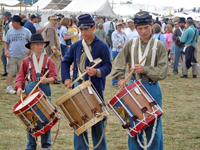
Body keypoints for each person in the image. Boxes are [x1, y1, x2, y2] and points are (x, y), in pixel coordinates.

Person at [112, 11, 168, 150]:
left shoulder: (159, 45)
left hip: (151, 87)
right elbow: (118, 63)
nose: (143, 31)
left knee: (153, 127)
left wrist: (146, 69)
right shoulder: (130, 44)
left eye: (146, 27)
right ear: (135, 28)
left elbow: (163, 71)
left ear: (152, 26)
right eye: (140, 28)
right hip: (133, 88)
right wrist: (120, 78)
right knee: (134, 126)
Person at [61, 14, 112, 150]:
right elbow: (65, 62)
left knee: (97, 123)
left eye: (85, 29)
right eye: (81, 30)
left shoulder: (102, 46)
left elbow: (108, 66)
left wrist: (97, 72)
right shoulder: (76, 45)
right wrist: (66, 78)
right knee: (79, 121)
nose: (83, 33)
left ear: (93, 27)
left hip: (95, 88)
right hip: (78, 87)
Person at [15, 33, 57, 150]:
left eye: (42, 43)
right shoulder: (26, 61)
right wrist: (19, 87)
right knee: (31, 120)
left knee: (46, 119)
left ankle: (46, 146)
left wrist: (46, 79)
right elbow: (20, 77)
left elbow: (54, 77)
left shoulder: (48, 60)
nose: (40, 46)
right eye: (37, 44)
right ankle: (31, 145)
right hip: (30, 89)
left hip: (44, 91)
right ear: (32, 46)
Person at [4, 15, 31, 94]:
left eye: (13, 22)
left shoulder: (26, 31)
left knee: (23, 73)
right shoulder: (10, 31)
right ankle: (9, 87)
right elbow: (6, 42)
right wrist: (6, 51)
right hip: (12, 55)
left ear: (18, 23)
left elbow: (31, 42)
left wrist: (29, 50)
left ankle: (22, 88)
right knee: (10, 71)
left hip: (23, 55)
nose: (12, 24)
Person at [44, 15, 61, 84]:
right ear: (51, 20)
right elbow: (50, 39)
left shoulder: (50, 26)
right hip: (50, 47)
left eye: (56, 20)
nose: (55, 21)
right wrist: (53, 48)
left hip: (49, 46)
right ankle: (53, 78)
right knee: (54, 63)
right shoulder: (50, 27)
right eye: (54, 20)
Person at [111, 21, 128, 86]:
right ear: (116, 26)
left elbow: (127, 41)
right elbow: (116, 43)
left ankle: (122, 81)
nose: (120, 27)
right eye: (118, 26)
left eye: (120, 25)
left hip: (123, 52)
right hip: (116, 51)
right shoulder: (114, 34)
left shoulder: (124, 33)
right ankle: (115, 82)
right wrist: (124, 47)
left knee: (123, 66)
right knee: (116, 66)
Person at [1, 11, 12, 76]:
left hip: (8, 43)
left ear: (7, 17)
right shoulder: (7, 23)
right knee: (4, 57)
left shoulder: (10, 24)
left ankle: (8, 71)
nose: (3, 17)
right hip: (5, 42)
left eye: (4, 15)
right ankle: (6, 70)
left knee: (5, 57)